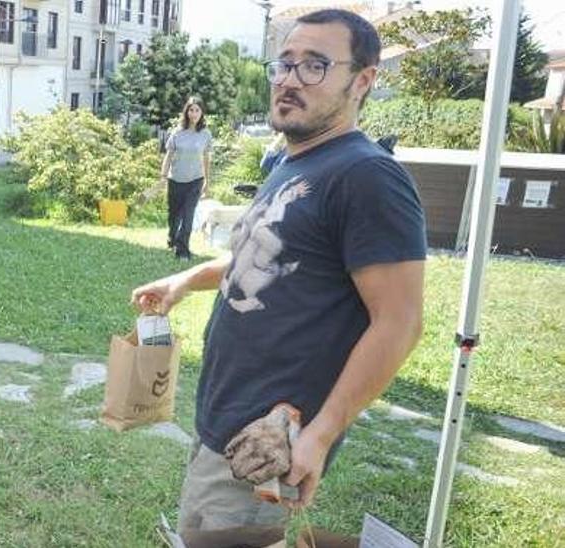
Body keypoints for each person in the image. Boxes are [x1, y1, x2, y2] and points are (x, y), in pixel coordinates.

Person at [131, 9, 427, 538]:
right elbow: (262, 253)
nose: (290, 79)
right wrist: (184, 281)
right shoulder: (291, 161)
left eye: (315, 65)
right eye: (284, 64)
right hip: (227, 418)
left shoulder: (366, 176)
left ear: (363, 80)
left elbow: (399, 323)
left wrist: (319, 435)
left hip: (271, 441)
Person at [161, 97, 213, 260]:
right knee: (174, 215)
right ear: (187, 111)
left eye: (197, 110)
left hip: (195, 181)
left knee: (188, 215)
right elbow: (168, 155)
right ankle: (172, 237)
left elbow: (205, 158)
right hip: (175, 179)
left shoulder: (206, 134)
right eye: (191, 110)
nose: (194, 113)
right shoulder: (177, 132)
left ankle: (183, 249)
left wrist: (207, 181)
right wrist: (163, 175)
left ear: (202, 112)